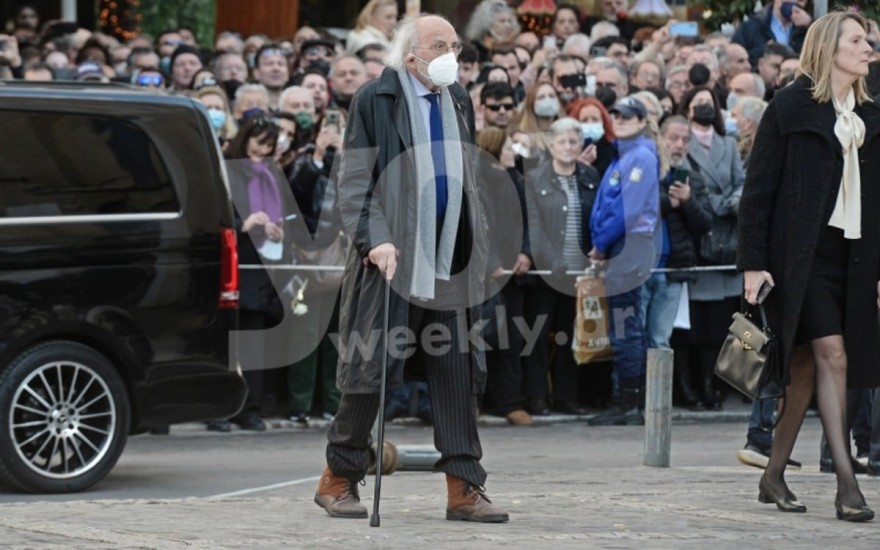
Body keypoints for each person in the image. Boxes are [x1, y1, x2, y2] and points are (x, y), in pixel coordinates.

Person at [313, 14, 508, 523]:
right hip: (392, 261)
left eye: (455, 46)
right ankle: (338, 477)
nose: (451, 55)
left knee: (456, 373)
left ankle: (464, 486)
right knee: (370, 373)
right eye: (439, 45)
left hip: (450, 261)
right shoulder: (374, 99)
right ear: (410, 54)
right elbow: (355, 182)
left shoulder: (458, 99)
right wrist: (374, 238)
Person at [738, 11, 880, 521]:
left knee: (803, 370)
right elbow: (757, 192)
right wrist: (752, 264)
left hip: (855, 257)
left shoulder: (871, 115)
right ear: (829, 48)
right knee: (833, 356)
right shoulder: (789, 106)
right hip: (801, 259)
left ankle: (773, 475)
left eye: (868, 41)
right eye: (857, 40)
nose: (868, 48)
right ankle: (846, 483)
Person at [586, 97, 661, 426]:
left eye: (628, 117)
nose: (619, 120)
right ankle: (631, 398)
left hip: (628, 246)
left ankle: (629, 400)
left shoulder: (640, 156)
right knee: (625, 323)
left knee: (625, 324)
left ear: (642, 121)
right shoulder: (626, 155)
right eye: (615, 115)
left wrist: (601, 243)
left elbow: (626, 209)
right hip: (621, 246)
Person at [523, 117, 599, 417]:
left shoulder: (590, 175)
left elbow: (598, 217)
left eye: (573, 141)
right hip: (547, 273)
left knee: (572, 336)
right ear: (551, 145)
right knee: (538, 337)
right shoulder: (535, 178)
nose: (568, 147)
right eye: (562, 141)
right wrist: (550, 259)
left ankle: (567, 398)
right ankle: (536, 397)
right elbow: (534, 226)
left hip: (580, 274)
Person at [677, 85, 744, 410]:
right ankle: (692, 385)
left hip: (727, 238)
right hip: (699, 235)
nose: (704, 106)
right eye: (698, 102)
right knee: (697, 324)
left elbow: (740, 181)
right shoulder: (681, 143)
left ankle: (713, 383)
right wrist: (715, 203)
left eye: (709, 102)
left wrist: (733, 200)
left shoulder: (728, 144)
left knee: (720, 322)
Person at [475, 127, 532, 426]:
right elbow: (476, 225)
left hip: (514, 274)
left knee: (513, 338)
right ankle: (473, 401)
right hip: (484, 277)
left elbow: (531, 221)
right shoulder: (475, 180)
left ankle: (509, 402)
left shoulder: (516, 180)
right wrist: (491, 262)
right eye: (509, 147)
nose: (514, 153)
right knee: (478, 340)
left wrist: (527, 253)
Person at [732, 0, 812, 68]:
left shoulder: (805, 28)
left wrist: (810, 25)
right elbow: (736, 59)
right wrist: (766, 50)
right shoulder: (751, 26)